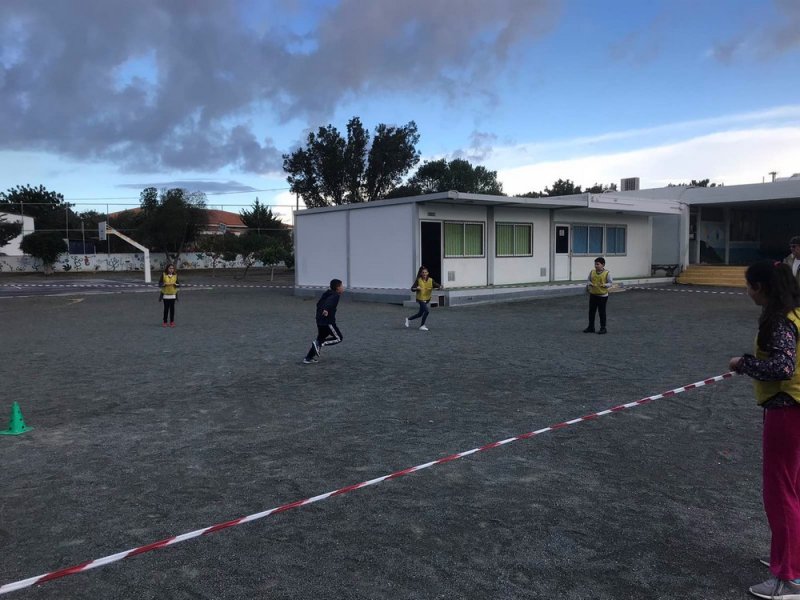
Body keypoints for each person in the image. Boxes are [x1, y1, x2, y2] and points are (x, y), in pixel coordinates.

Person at [729, 260, 800, 599]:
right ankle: (790, 558)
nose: (747, 292)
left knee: (780, 492)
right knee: (793, 489)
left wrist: (744, 364)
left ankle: (788, 577)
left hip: (787, 411)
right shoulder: (796, 314)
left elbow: (783, 367)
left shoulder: (780, 321)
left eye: (749, 286)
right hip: (794, 408)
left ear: (761, 288)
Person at [304, 278, 345, 364]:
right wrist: (326, 309)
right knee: (338, 338)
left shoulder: (327, 293)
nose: (343, 287)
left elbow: (318, 304)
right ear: (337, 287)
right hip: (328, 322)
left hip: (320, 321)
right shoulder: (335, 295)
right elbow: (329, 302)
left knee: (320, 338)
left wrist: (322, 312)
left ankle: (308, 358)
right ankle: (319, 344)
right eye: (341, 286)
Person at [405, 266, 442, 332]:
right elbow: (412, 289)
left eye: (425, 272)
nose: (424, 274)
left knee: (420, 314)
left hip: (427, 298)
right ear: (421, 273)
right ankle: (422, 326)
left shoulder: (431, 280)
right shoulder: (418, 280)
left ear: (428, 273)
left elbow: (437, 285)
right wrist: (417, 288)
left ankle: (408, 319)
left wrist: (440, 286)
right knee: (426, 311)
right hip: (420, 298)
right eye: (423, 272)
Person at [583, 257, 612, 334]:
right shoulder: (592, 272)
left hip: (602, 296)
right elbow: (588, 280)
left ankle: (603, 328)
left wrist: (605, 285)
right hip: (593, 294)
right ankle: (591, 327)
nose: (596, 266)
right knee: (591, 312)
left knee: (601, 312)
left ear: (603, 264)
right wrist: (590, 283)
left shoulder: (607, 273)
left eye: (597, 264)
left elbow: (610, 283)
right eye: (595, 264)